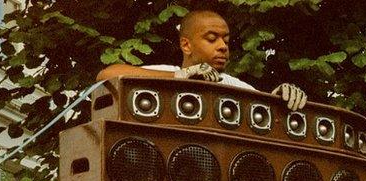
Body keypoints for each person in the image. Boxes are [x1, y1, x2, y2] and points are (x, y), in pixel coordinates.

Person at [95, 9, 307, 110]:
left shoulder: (236, 86)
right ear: (186, 45)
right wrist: (181, 76)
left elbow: (265, 108)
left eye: (226, 40)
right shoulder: (167, 72)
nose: (223, 46)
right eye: (212, 38)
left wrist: (280, 99)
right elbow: (106, 75)